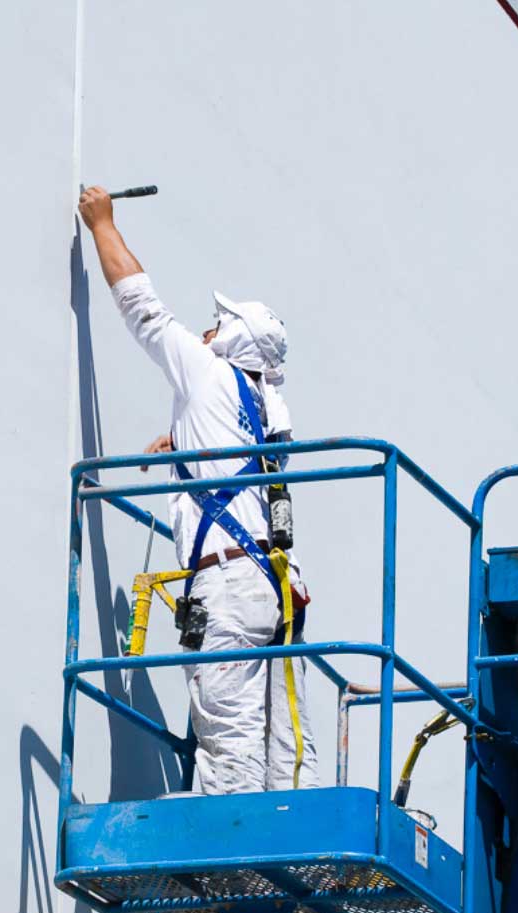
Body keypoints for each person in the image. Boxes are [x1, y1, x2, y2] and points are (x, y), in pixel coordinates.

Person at [77, 185, 318, 795]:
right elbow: (228, 455)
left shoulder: (211, 372)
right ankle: (293, 834)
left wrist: (103, 222)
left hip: (230, 584)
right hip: (272, 583)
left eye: (219, 324)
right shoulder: (265, 408)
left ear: (237, 342)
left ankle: (232, 861)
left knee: (229, 730)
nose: (209, 330)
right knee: (283, 740)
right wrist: (178, 439)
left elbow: (144, 309)